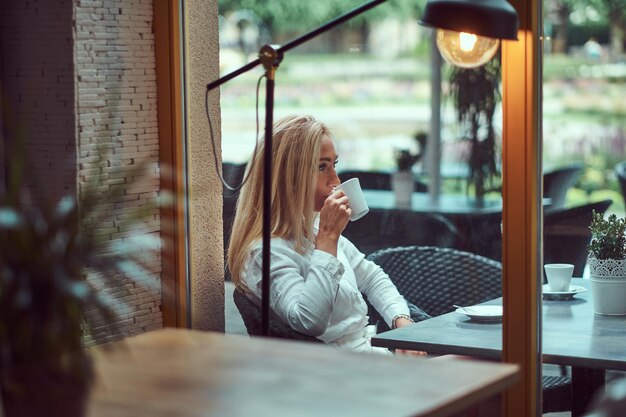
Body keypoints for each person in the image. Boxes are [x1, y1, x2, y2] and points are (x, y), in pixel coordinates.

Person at [228, 115, 423, 355]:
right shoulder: (266, 252)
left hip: (373, 352)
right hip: (342, 371)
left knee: (471, 359)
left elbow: (372, 277)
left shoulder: (312, 226)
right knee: (472, 363)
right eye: (322, 167)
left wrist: (401, 321)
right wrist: (328, 240)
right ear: (287, 177)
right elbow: (308, 320)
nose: (336, 181)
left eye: (334, 165)